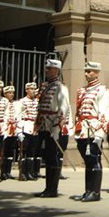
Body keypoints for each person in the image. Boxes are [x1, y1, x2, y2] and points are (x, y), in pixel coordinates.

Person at [34, 59, 70, 198]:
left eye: (50, 68)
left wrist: (56, 129)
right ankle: (47, 187)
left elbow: (63, 108)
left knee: (52, 157)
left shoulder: (60, 87)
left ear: (57, 71)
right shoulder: (45, 86)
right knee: (47, 157)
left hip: (52, 126)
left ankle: (52, 189)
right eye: (47, 68)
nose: (47, 70)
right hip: (44, 125)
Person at [74, 61, 109, 202]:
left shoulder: (102, 90)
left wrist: (100, 134)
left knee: (94, 159)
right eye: (86, 71)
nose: (86, 73)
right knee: (87, 161)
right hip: (82, 129)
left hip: (93, 129)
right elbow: (78, 111)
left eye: (89, 71)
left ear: (97, 73)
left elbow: (105, 112)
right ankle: (87, 190)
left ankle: (95, 192)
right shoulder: (82, 90)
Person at [17, 82, 39, 180]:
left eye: (34, 89)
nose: (33, 91)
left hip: (35, 127)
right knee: (24, 151)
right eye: (31, 89)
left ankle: (30, 172)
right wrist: (19, 131)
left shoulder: (38, 101)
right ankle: (22, 172)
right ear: (26, 90)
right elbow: (17, 116)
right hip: (25, 126)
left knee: (32, 151)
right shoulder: (22, 101)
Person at [0, 85, 20, 180]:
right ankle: (2, 172)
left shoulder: (16, 104)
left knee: (10, 151)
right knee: (3, 150)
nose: (11, 94)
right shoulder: (2, 102)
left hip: (13, 129)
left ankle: (8, 171)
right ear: (5, 94)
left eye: (12, 93)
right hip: (5, 129)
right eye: (9, 93)